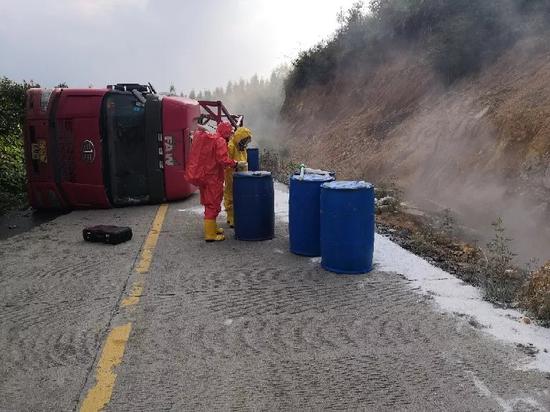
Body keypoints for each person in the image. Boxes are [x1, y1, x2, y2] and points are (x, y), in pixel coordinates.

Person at [185, 123, 237, 241]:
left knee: (209, 203)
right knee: (213, 204)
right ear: (227, 132)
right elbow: (222, 160)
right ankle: (210, 234)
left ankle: (212, 228)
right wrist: (235, 163)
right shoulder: (220, 141)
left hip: (204, 176)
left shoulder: (211, 138)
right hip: (213, 178)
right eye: (230, 132)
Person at [224, 127, 252, 227]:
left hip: (241, 175)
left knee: (240, 195)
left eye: (246, 141)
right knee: (230, 194)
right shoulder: (231, 146)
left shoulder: (242, 148)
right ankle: (231, 217)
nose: (245, 143)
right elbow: (226, 162)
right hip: (231, 174)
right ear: (239, 138)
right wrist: (236, 165)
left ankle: (239, 215)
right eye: (244, 140)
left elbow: (244, 160)